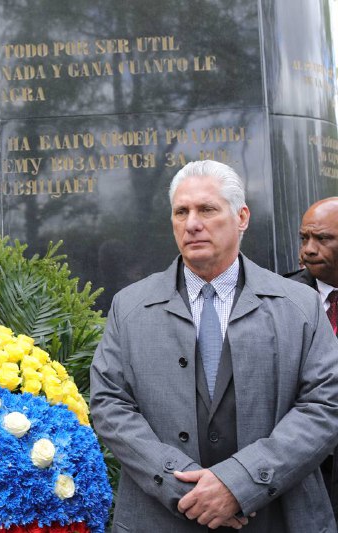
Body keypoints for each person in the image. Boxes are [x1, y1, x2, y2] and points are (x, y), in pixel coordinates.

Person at [90, 160, 338, 532]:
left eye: (207, 209)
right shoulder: (131, 306)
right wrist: (182, 485)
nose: (192, 223)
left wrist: (239, 484)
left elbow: (325, 404)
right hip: (160, 517)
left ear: (241, 217)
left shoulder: (298, 304)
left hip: (278, 517)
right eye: (181, 211)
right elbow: (110, 403)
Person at [285, 196, 338, 517]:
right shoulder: (280, 296)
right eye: (304, 238)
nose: (308, 249)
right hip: (303, 465)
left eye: (323, 239)